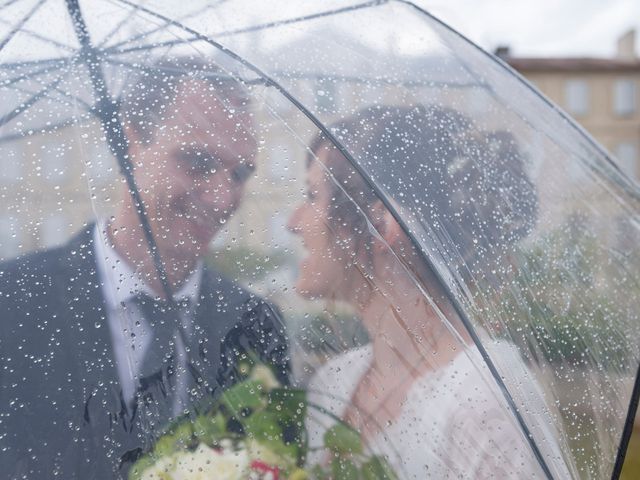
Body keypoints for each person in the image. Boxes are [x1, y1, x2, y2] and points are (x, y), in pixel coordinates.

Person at [0, 58, 288, 479]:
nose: (222, 197)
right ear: (130, 142)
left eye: (240, 173)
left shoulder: (257, 327)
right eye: (198, 162)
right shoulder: (12, 302)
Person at [288, 105, 572, 479]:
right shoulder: (333, 384)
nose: (294, 223)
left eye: (312, 196)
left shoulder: (484, 403)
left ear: (380, 224)